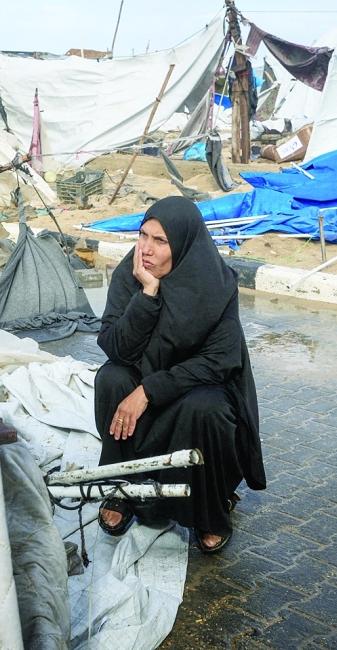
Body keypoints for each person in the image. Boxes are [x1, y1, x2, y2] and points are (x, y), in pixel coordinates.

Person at [93, 196, 265, 553]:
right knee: (112, 378)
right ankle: (126, 488)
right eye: (143, 236)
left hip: (195, 387)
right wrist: (148, 294)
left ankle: (209, 511)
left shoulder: (215, 284)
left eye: (160, 241)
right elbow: (116, 347)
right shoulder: (131, 274)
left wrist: (149, 391)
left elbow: (219, 360)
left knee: (205, 408)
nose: (146, 249)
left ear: (183, 244)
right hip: (145, 377)